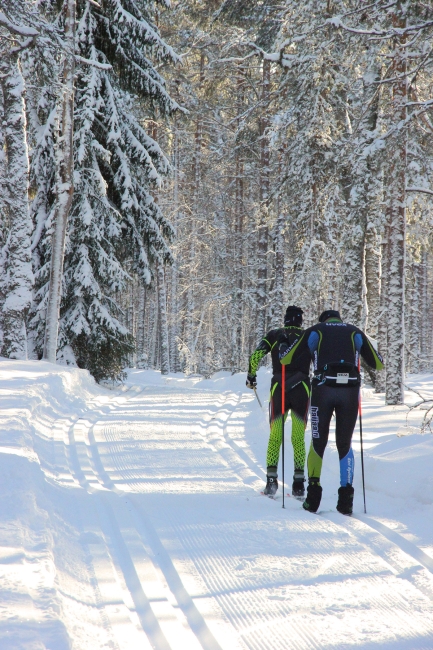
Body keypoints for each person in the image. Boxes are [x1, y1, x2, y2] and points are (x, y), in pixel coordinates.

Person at [279, 309, 383, 515]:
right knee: (345, 444)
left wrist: (283, 345)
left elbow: (286, 358)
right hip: (350, 393)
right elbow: (378, 363)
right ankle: (346, 501)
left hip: (323, 390)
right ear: (339, 319)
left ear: (323, 320)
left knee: (318, 441)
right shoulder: (354, 332)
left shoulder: (316, 331)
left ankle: (313, 498)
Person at [246, 306, 311, 497]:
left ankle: (271, 483)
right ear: (300, 320)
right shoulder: (308, 336)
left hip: (279, 389)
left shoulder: (274, 334)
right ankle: (299, 485)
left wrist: (251, 376)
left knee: (276, 436)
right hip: (302, 388)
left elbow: (256, 356)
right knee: (298, 438)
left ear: (285, 320)